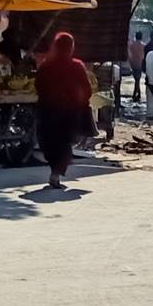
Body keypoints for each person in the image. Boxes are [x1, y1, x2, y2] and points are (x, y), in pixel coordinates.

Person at [34, 31, 95, 189]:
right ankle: (56, 173)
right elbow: (86, 90)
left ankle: (54, 172)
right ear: (71, 48)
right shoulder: (76, 66)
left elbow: (38, 86)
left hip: (48, 111)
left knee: (50, 142)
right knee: (64, 144)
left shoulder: (46, 66)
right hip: (69, 113)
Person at [128, 31, 147, 102]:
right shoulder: (143, 45)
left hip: (133, 64)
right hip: (140, 64)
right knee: (137, 80)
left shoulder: (132, 45)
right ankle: (136, 94)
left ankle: (137, 94)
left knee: (137, 79)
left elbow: (130, 55)